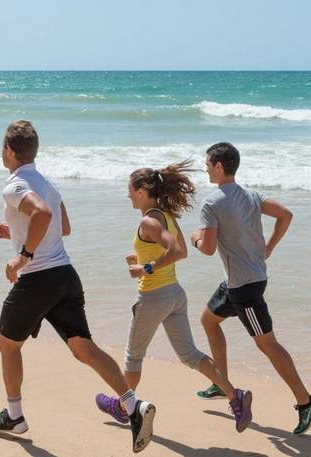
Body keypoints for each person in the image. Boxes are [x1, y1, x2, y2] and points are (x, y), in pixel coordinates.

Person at [0, 120, 156, 453]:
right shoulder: (48, 182)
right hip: (65, 276)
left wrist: (22, 255)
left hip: (38, 280)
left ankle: (14, 416)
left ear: (8, 150)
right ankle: (133, 405)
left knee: (7, 346)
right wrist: (16, 231)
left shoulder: (15, 185)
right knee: (84, 349)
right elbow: (63, 226)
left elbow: (44, 215)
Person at [93, 160, 251, 433]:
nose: (127, 194)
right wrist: (143, 258)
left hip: (153, 297)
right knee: (191, 355)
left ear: (142, 190)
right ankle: (235, 395)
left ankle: (123, 407)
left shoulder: (148, 220)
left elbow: (177, 250)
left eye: (130, 189)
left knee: (132, 358)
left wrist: (145, 267)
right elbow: (175, 250)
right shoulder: (165, 215)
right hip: (175, 295)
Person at [189, 142, 311, 435]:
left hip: (244, 288)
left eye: (208, 164)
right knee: (208, 320)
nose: (206, 168)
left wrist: (195, 238)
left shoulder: (211, 203)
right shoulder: (251, 195)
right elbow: (286, 214)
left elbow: (208, 249)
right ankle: (221, 383)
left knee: (267, 344)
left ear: (219, 166)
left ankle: (306, 402)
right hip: (244, 278)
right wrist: (269, 248)